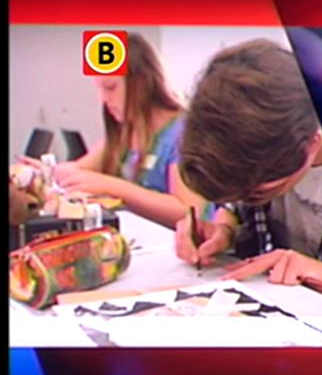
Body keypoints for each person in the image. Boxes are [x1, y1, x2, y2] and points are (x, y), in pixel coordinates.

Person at [173, 39, 322, 317]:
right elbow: (239, 203)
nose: (248, 200)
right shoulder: (264, 152)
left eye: (257, 194)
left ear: (311, 144)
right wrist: (225, 229)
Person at [51, 32, 206, 228]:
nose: (103, 99)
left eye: (110, 87)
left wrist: (111, 186)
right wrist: (48, 172)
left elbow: (189, 212)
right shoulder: (127, 131)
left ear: (141, 83)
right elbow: (78, 171)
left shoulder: (183, 132)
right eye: (100, 89)